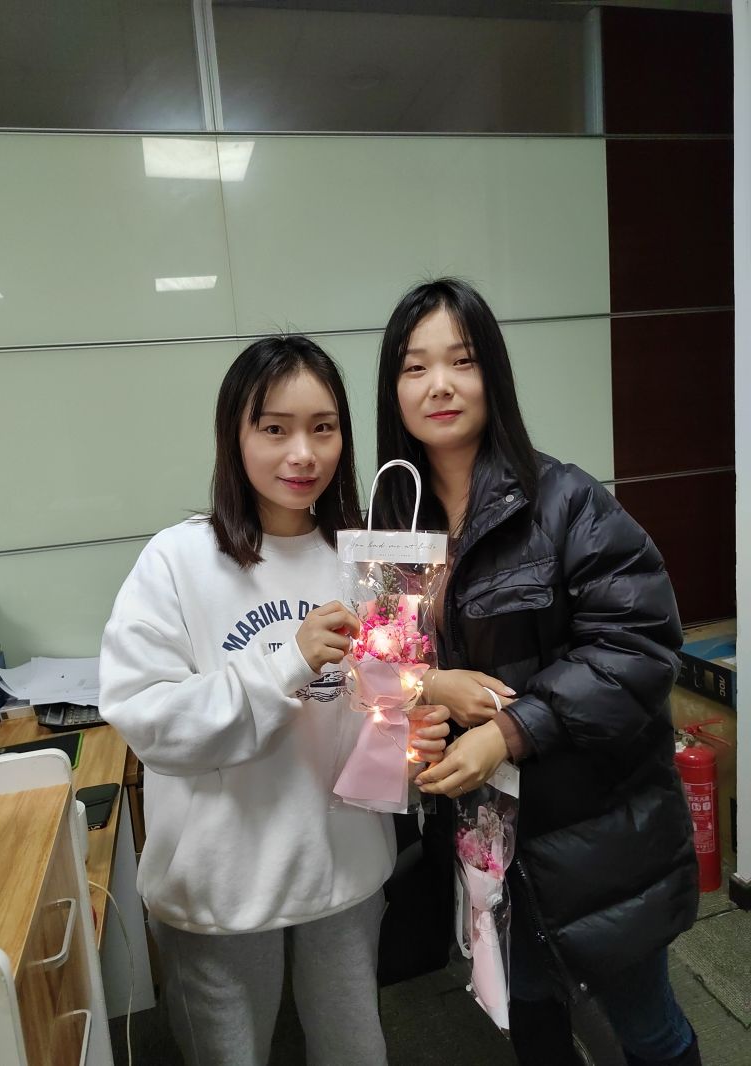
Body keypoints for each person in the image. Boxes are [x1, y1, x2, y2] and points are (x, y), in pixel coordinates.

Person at [374, 278, 701, 1066]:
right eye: (416, 367)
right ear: (394, 389)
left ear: (494, 374)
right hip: (486, 838)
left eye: (462, 360)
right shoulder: (394, 526)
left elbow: (637, 647)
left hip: (592, 832)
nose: (440, 384)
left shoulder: (566, 502)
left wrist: (511, 732)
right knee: (527, 1011)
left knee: (645, 1024)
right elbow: (388, 663)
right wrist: (420, 694)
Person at [99, 334, 450, 1066]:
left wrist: (413, 732)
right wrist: (286, 663)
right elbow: (146, 719)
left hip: (344, 869)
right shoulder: (179, 560)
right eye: (274, 428)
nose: (303, 454)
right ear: (235, 436)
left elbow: (380, 717)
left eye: (323, 428)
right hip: (220, 884)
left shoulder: (368, 564)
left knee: (354, 1047)